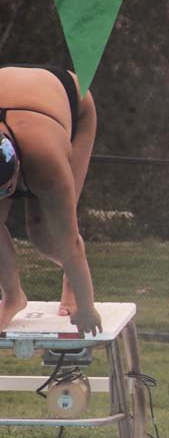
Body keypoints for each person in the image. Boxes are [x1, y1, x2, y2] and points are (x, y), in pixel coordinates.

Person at [0, 65, 101, 335]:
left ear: (18, 169)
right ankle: (13, 297)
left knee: (45, 235)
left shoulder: (47, 167)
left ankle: (72, 280)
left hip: (71, 99)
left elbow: (69, 244)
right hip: (16, 95)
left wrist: (87, 307)